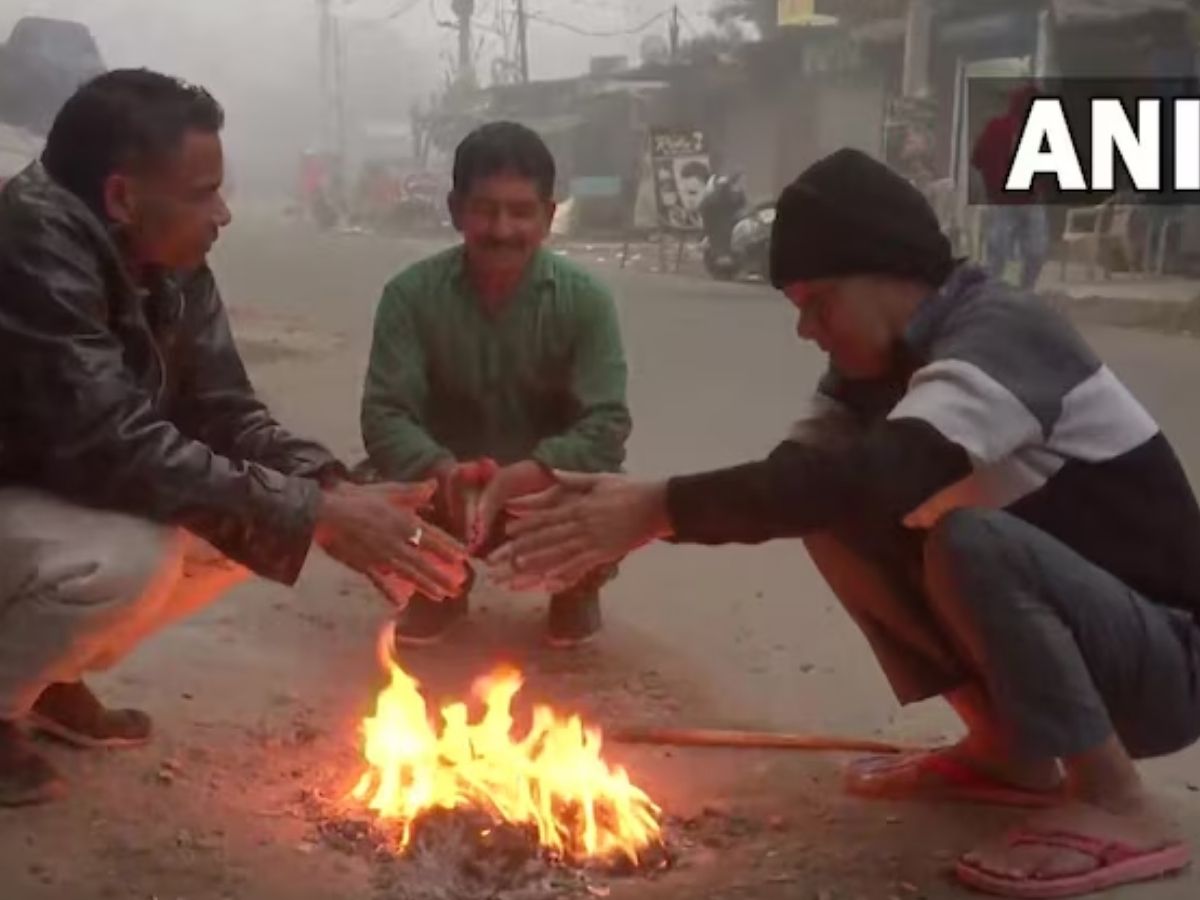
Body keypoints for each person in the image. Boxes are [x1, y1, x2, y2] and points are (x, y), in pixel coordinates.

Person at [489, 148, 1200, 898]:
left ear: (888, 275)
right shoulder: (872, 372)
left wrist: (658, 507)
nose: (807, 329)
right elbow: (796, 482)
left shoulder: (1001, 334)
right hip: (1094, 640)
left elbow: (885, 473)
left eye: (818, 302)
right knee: (829, 516)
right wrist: (633, 509)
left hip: (1169, 658)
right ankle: (1007, 752)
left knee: (966, 539)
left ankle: (1117, 801)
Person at [0, 70, 468, 807]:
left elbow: (224, 410)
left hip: (49, 485)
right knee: (129, 558)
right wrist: (313, 511)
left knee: (253, 525)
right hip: (29, 483)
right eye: (203, 193)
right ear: (122, 197)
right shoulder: (29, 247)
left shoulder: (165, 256)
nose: (221, 213)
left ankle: (45, 678)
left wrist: (332, 490)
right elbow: (111, 444)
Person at [361, 121, 630, 649]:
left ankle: (576, 585)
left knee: (612, 492)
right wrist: (446, 472)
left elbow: (606, 425)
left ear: (548, 216)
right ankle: (437, 589)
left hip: (541, 494)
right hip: (445, 491)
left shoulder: (586, 302)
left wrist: (517, 479)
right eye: (485, 209)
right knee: (367, 489)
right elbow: (385, 416)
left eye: (521, 211)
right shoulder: (409, 296)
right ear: (455, 210)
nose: (502, 229)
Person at [971, 84, 1050, 290]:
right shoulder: (998, 128)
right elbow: (978, 159)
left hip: (1030, 201)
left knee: (1036, 251)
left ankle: (1024, 290)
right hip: (1004, 202)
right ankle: (991, 293)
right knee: (999, 252)